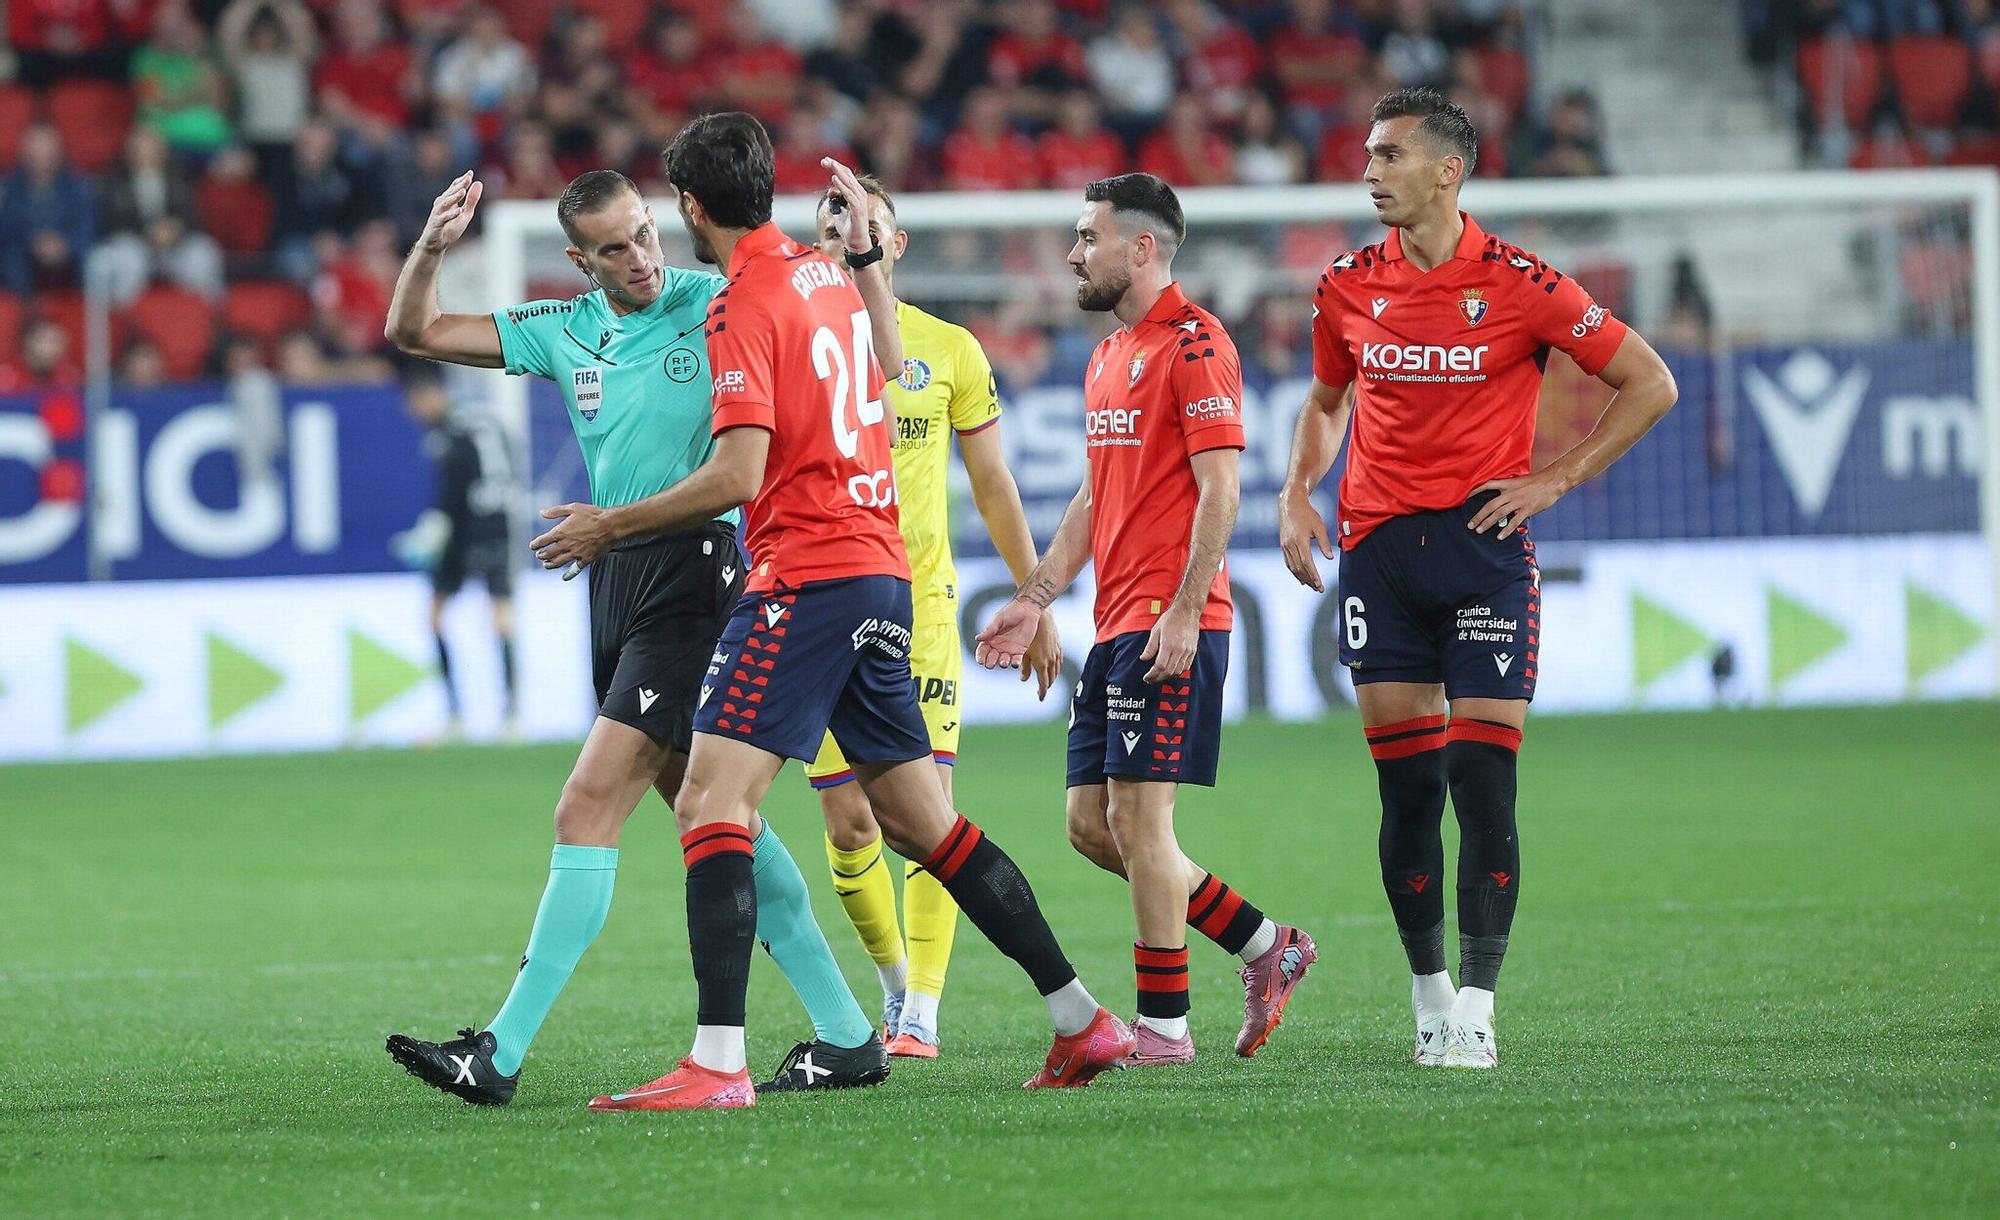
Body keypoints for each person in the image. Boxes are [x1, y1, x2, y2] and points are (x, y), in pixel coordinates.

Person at [529, 112, 1131, 1111]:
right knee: (919, 819)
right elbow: (897, 369)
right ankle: (1082, 1016)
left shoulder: (741, 305)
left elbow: (735, 470)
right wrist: (861, 256)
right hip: (879, 572)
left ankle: (717, 1061)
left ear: (687, 207)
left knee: (709, 803)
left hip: (801, 576)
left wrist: (609, 525)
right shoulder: (825, 274)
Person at [379, 164, 889, 1105]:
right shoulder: (558, 328)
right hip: (612, 584)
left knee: (586, 807)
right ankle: (849, 1032)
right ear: (581, 259)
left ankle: (499, 1051)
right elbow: (412, 332)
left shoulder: (715, 301)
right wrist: (430, 248)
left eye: (645, 234)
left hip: (693, 572)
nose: (640, 257)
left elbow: (824, 315)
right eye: (613, 248)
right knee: (716, 818)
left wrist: (859, 250)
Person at [1277, 87, 1677, 1068]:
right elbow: (1326, 399)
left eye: (1387, 155)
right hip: (1376, 557)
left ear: (1446, 170)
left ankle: (1480, 1006)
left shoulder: (1521, 282)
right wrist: (1296, 488)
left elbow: (1650, 380)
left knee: (1482, 781)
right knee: (1407, 791)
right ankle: (1427, 992)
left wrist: (1557, 476)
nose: (1368, 171)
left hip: (1485, 553)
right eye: (1366, 155)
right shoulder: (1341, 285)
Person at [977, 174, 1317, 1066]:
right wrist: (1036, 597)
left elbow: (1223, 488)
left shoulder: (1197, 344)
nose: (1072, 253)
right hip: (1114, 623)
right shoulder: (1108, 353)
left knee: (1141, 826)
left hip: (1171, 623)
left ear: (1142, 248)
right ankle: (1263, 943)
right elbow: (1095, 496)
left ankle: (1164, 1029)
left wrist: (1180, 611)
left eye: (1087, 236)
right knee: (1091, 827)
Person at [804, 174, 1061, 1060]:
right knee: (850, 824)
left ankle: (922, 1013)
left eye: (863, 225)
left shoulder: (949, 350)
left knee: (931, 813)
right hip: (819, 599)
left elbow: (993, 482)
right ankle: (890, 979)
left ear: (895, 242)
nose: (844, 238)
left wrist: (1035, 599)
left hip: (919, 603)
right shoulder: (795, 343)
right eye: (829, 227)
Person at [397, 375, 518, 738]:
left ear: (429, 393)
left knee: (436, 617)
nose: (413, 411)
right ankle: (512, 715)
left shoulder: (448, 433)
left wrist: (433, 531)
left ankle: (455, 715)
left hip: (464, 530)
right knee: (500, 616)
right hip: (499, 525)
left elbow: (453, 491)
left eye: (415, 401)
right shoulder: (487, 420)